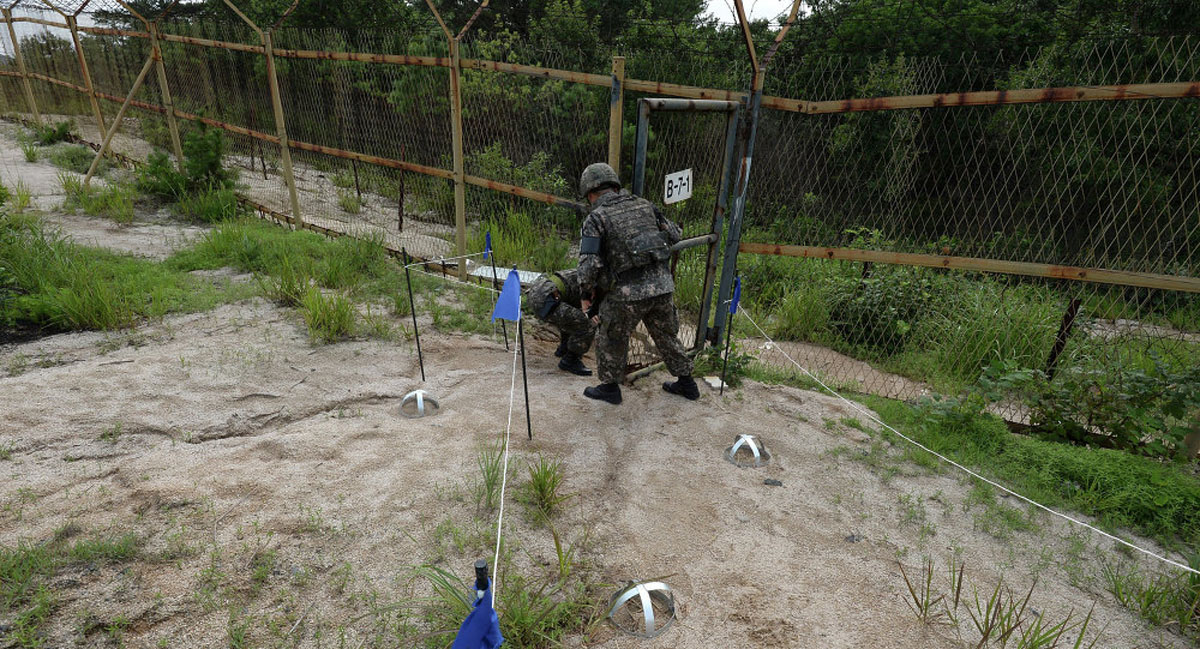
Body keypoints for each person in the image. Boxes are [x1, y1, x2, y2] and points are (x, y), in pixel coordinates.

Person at [575, 162, 700, 405]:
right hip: (662, 287)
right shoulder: (645, 205)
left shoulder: (596, 218)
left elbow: (588, 265)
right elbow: (675, 234)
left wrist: (586, 295)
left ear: (590, 193)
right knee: (667, 336)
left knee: (611, 336)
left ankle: (610, 388)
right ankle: (687, 383)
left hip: (625, 295)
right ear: (614, 186)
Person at [525, 267, 596, 376]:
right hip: (548, 300)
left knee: (571, 316)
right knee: (588, 324)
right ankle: (570, 360)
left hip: (538, 294)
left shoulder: (583, 272)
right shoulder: (592, 280)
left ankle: (564, 348)